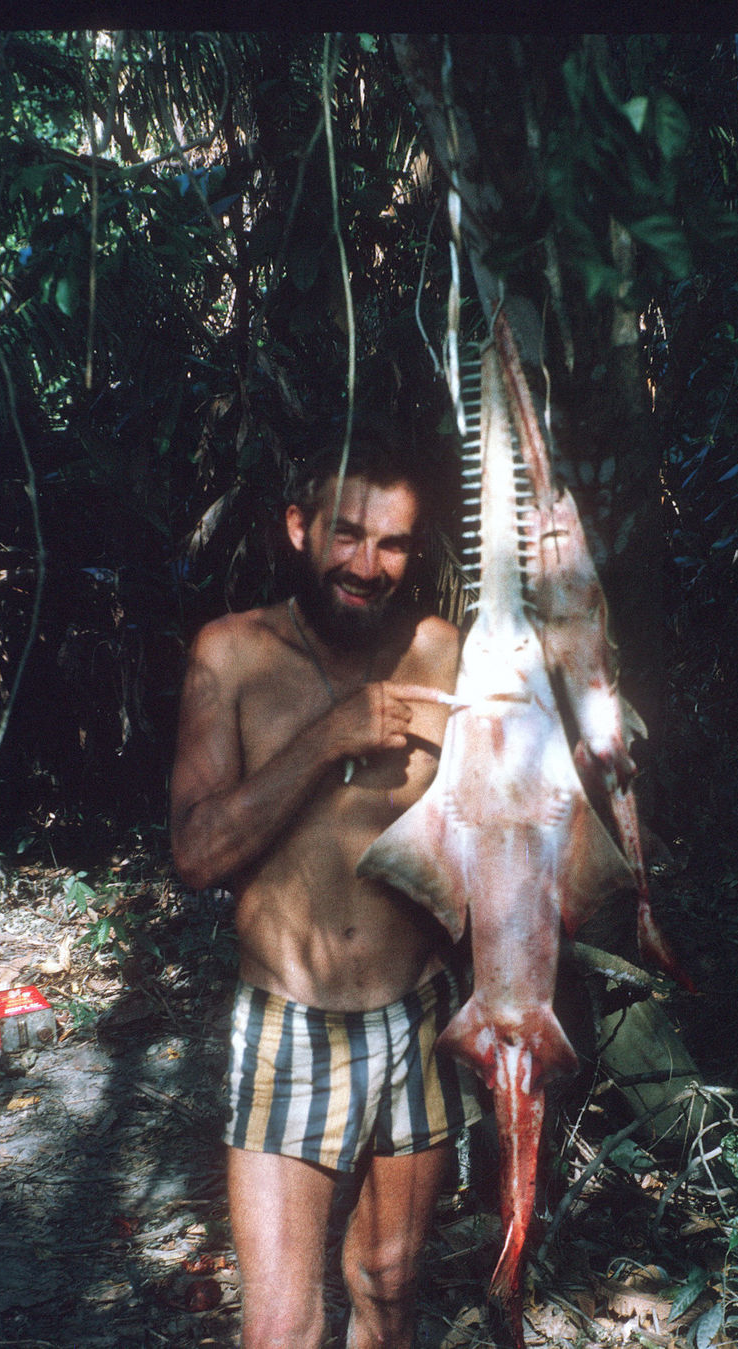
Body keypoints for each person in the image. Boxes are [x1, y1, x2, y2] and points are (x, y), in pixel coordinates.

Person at [170, 437, 481, 1349]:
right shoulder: (229, 654)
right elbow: (194, 853)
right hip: (290, 1024)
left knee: (390, 1284)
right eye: (346, 534)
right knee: (278, 1327)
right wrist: (329, 737)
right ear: (299, 528)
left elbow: (492, 826)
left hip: (416, 1016)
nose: (367, 564)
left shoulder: (440, 650)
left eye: (392, 543)